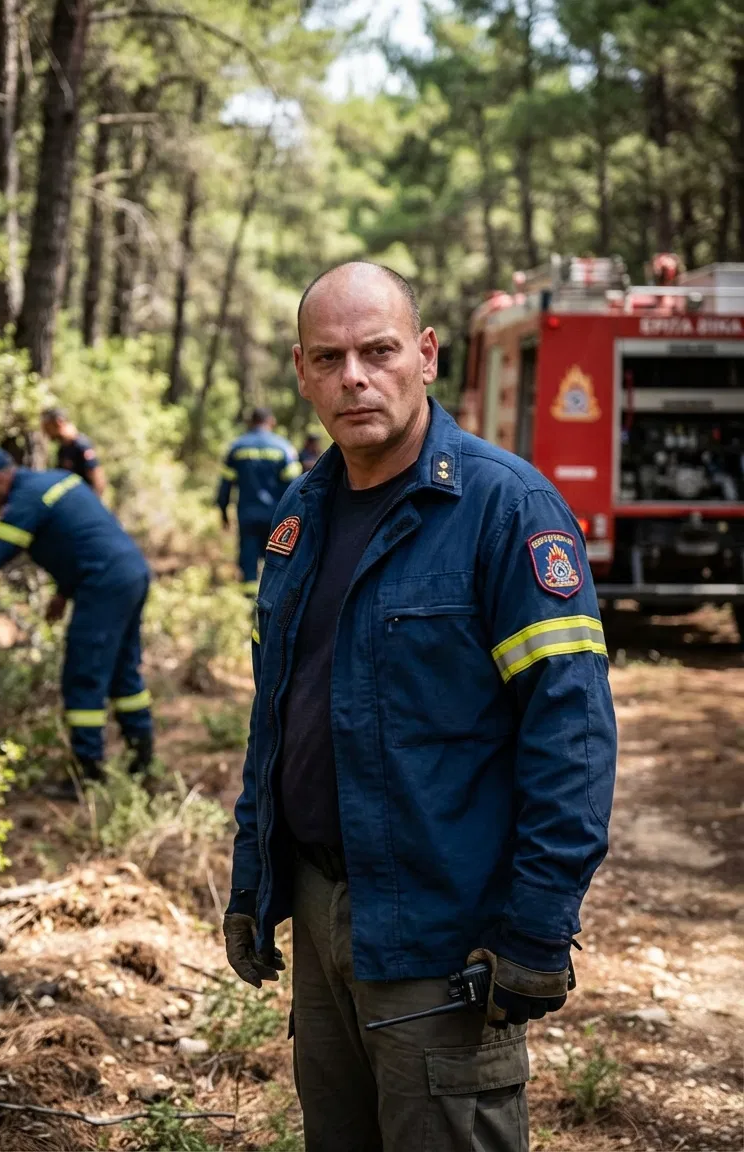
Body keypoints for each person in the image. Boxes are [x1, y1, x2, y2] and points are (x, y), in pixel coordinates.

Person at [222, 262, 617, 1152]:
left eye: (379, 351)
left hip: (441, 938)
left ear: (427, 355)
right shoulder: (298, 514)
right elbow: (277, 717)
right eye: (329, 358)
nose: (354, 377)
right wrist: (255, 880)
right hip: (323, 916)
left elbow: (573, 736)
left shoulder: (505, 509)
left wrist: (539, 926)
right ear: (300, 370)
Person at [0, 447, 153, 792]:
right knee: (122, 671)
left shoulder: (25, 502)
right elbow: (82, 538)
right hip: (131, 572)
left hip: (102, 584)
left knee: (83, 677)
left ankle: (88, 777)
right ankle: (142, 764)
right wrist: (62, 592)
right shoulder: (57, 479)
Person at [216, 406, 301, 594]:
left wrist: (223, 512)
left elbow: (225, 486)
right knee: (277, 559)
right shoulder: (283, 448)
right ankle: (270, 603)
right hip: (277, 517)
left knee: (248, 559)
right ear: (271, 421)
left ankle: (249, 605)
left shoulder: (236, 448)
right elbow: (296, 487)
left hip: (247, 515)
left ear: (250, 422)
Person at [40, 407, 107, 496]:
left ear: (58, 422)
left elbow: (97, 477)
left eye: (48, 427)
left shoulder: (81, 445)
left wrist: (94, 504)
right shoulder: (63, 449)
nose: (46, 432)